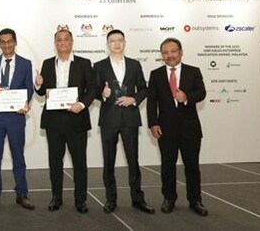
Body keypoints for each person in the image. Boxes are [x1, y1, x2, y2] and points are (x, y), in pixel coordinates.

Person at [34, 25, 97, 213]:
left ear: (72, 42)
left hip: (76, 119)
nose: (63, 43)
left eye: (66, 39)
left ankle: (80, 200)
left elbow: (92, 89)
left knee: (79, 162)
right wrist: (38, 84)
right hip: (54, 120)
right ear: (55, 44)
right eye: (59, 40)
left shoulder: (84, 63)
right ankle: (56, 197)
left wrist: (82, 104)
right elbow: (41, 91)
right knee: (55, 161)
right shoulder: (47, 63)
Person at [94, 29, 154, 214]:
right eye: (112, 41)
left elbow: (144, 89)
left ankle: (137, 199)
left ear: (125, 42)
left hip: (129, 119)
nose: (117, 44)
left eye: (120, 40)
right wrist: (101, 94)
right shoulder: (99, 66)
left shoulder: (135, 65)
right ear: (107, 44)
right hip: (109, 120)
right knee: (108, 162)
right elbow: (92, 91)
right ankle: (110, 199)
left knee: (133, 161)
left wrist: (133, 99)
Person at [147, 37, 208, 216]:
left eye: (173, 51)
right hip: (165, 129)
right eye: (165, 52)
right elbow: (152, 102)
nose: (170, 55)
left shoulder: (193, 71)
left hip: (190, 129)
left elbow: (202, 92)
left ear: (180, 52)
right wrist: (153, 123)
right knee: (167, 166)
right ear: (162, 55)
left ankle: (195, 200)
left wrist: (187, 97)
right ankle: (169, 198)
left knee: (192, 166)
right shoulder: (155, 74)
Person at [0, 28, 34, 211]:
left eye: (9, 41)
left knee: (18, 156)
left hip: (16, 117)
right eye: (3, 42)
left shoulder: (26, 64)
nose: (6, 45)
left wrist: (26, 103)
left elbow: (29, 89)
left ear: (15, 42)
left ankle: (22, 193)